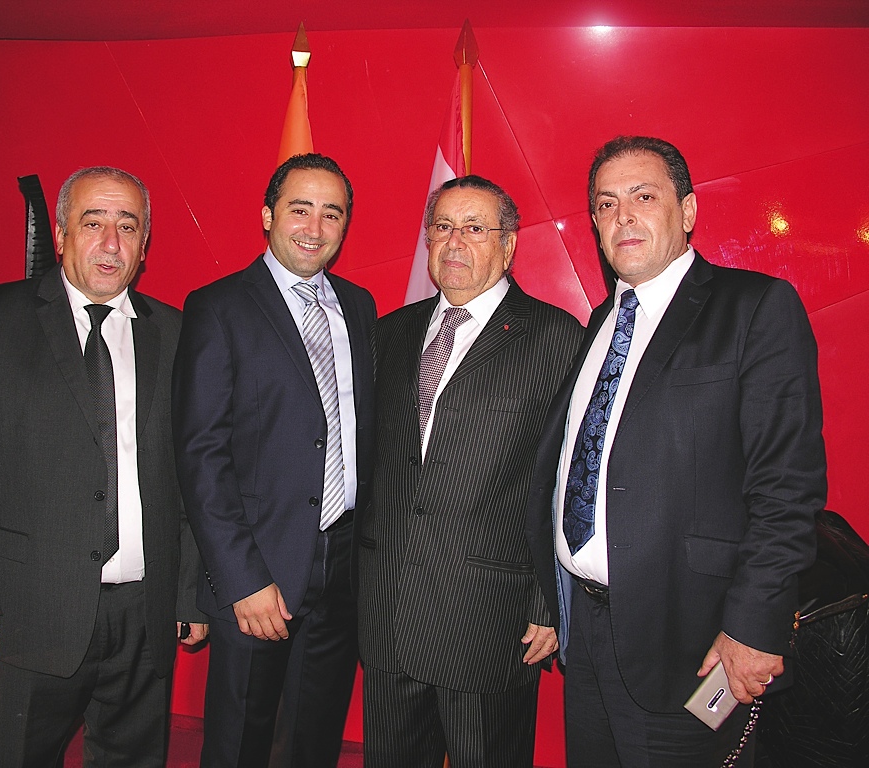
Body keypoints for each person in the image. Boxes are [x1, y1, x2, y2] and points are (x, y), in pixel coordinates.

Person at [528, 136, 827, 766]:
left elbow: (787, 490)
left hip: (697, 645)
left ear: (687, 211)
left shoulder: (754, 308)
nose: (623, 216)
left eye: (643, 196)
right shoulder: (600, 323)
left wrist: (753, 627)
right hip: (587, 634)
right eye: (606, 204)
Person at [0, 166, 207, 767]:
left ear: (145, 244)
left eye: (127, 227)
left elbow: (189, 479)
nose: (110, 243)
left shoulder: (177, 333)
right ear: (60, 235)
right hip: (27, 614)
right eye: (93, 222)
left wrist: (187, 594)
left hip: (144, 616)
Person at [358, 175, 585, 767]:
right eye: (443, 227)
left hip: (489, 619)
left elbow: (567, 480)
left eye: (475, 228)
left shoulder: (556, 337)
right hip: (388, 612)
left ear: (508, 245)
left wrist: (550, 602)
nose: (454, 242)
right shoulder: (391, 333)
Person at [172, 153, 376, 768]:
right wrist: (242, 580)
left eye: (331, 213)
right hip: (258, 572)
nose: (315, 227)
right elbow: (200, 455)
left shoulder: (360, 306)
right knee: (240, 744)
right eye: (299, 209)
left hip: (344, 570)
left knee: (313, 743)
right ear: (267, 215)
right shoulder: (218, 307)